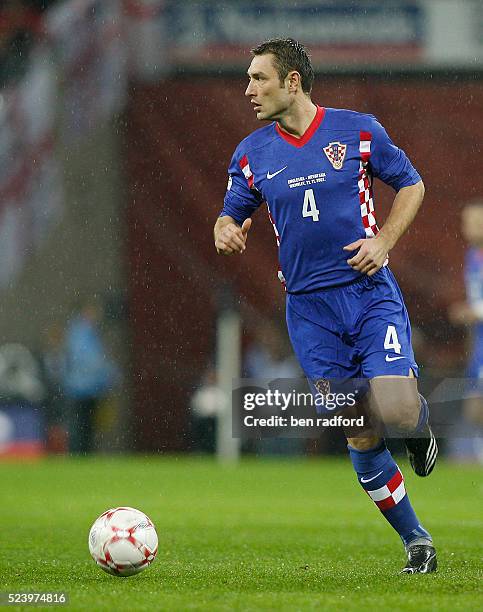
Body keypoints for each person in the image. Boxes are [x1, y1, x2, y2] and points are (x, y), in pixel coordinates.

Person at [213, 39, 437, 574]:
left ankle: (419, 423)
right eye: (247, 79)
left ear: (293, 82)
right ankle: (417, 541)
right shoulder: (251, 153)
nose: (249, 90)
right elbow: (230, 214)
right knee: (357, 428)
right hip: (310, 311)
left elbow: (412, 183)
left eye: (259, 79)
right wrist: (224, 229)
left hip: (368, 293)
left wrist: (383, 240)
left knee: (399, 411)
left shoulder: (358, 130)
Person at [448, 199, 483, 460]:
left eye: (474, 222)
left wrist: (475, 312)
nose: (467, 227)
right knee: (475, 407)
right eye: (466, 222)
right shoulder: (472, 254)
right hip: (480, 342)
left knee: (476, 407)